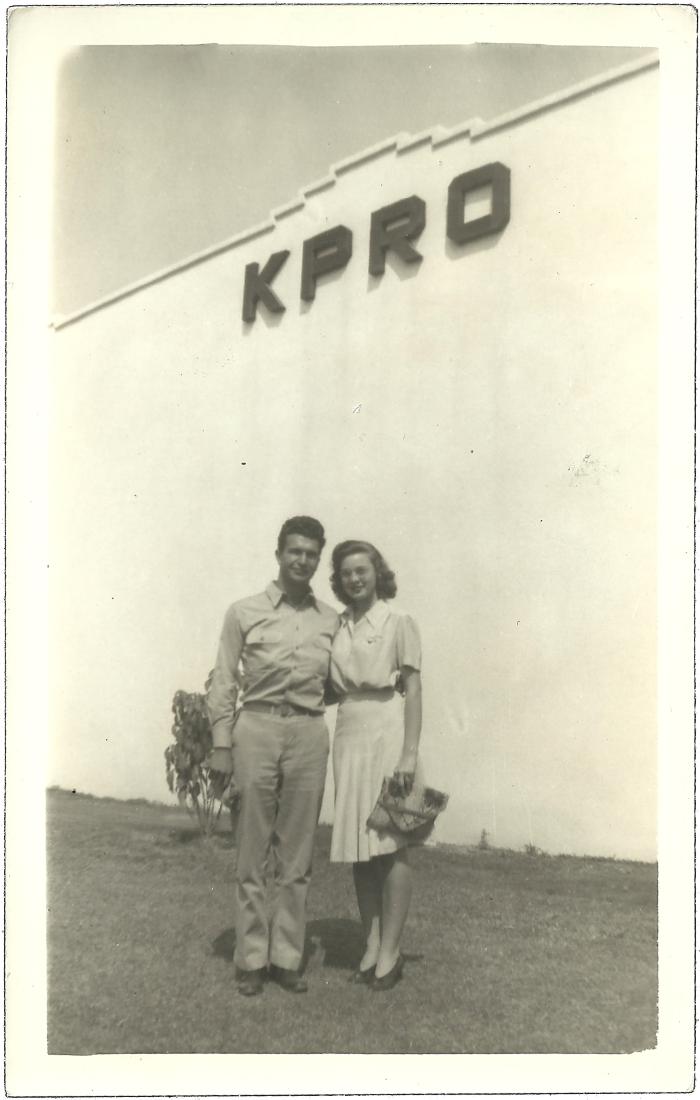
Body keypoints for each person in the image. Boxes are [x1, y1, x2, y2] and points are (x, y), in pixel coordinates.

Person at [206, 516, 339, 996]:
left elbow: (341, 682)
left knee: (297, 855)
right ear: (279, 553)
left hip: (307, 732)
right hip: (255, 729)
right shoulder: (243, 611)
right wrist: (222, 743)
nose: (302, 560)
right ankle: (250, 958)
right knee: (252, 850)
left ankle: (286, 958)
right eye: (295, 551)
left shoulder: (331, 620)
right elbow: (223, 679)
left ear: (318, 560)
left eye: (311, 554)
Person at [328, 539, 424, 992]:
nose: (354, 578)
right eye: (346, 572)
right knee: (359, 848)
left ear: (377, 572)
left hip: (386, 734)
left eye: (362, 570)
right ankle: (371, 942)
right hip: (348, 732)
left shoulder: (398, 621)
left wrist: (409, 754)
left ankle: (392, 950)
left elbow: (414, 690)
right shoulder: (337, 626)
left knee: (389, 844)